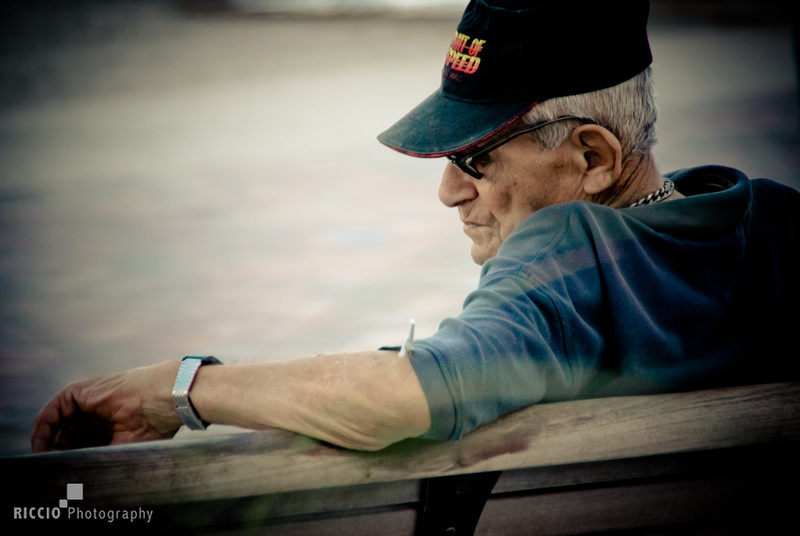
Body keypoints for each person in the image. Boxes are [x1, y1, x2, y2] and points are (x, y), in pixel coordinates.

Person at [31, 0, 800, 453]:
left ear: (593, 157)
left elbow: (407, 396)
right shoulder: (778, 223)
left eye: (475, 158)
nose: (446, 193)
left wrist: (181, 389)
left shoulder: (570, 253)